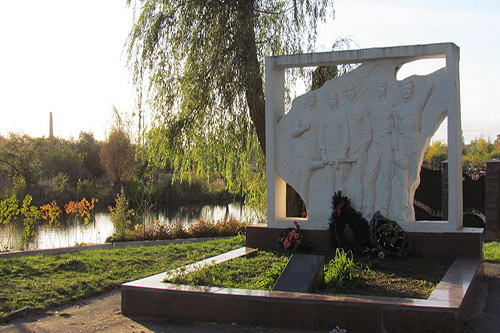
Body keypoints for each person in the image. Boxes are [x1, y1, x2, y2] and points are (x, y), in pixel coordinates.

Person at [393, 79, 433, 220]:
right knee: (402, 180)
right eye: (404, 89)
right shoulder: (397, 110)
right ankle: (403, 209)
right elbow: (395, 132)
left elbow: (427, 90)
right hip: (402, 146)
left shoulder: (417, 105)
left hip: (415, 146)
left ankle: (409, 200)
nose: (406, 92)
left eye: (409, 89)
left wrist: (431, 80)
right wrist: (396, 151)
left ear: (412, 91)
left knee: (414, 177)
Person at [363, 79, 394, 218]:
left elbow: (396, 125)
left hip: (387, 141)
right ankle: (370, 207)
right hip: (375, 143)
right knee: (370, 177)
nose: (380, 89)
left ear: (385, 88)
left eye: (382, 86)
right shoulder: (371, 106)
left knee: (387, 178)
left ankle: (385, 209)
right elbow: (366, 125)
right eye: (378, 86)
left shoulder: (391, 105)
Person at [343, 82, 371, 211]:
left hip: (359, 149)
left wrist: (361, 147)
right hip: (345, 149)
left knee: (358, 179)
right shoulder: (343, 110)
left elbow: (368, 131)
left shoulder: (362, 108)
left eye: (351, 91)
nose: (350, 94)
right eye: (347, 92)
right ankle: (344, 208)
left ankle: (358, 209)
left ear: (355, 92)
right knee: (345, 180)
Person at [319, 89, 349, 196]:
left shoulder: (341, 115)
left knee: (340, 181)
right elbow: (321, 136)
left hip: (340, 153)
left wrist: (343, 152)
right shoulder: (324, 117)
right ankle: (330, 207)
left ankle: (340, 208)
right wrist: (323, 154)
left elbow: (346, 134)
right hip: (328, 154)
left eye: (333, 99)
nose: (331, 101)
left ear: (336, 100)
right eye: (329, 99)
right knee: (329, 182)